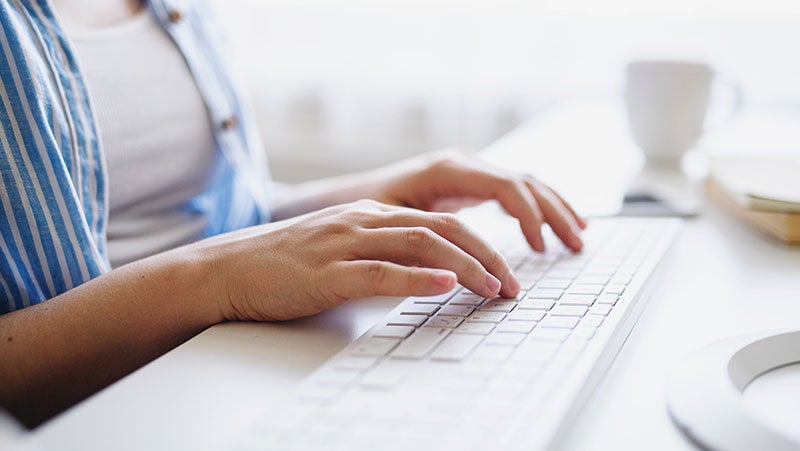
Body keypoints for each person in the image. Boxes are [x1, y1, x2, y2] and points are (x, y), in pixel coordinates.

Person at [0, 0, 585, 428]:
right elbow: (217, 260)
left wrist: (373, 199)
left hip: (217, 378)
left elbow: (204, 222)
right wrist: (217, 277)